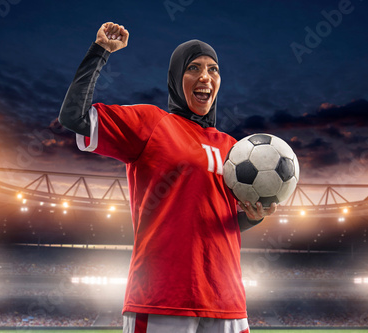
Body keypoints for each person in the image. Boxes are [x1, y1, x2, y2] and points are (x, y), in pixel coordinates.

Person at [59, 22, 277, 333]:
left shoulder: (236, 150)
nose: (205, 77)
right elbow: (74, 117)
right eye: (194, 68)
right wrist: (100, 52)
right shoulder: (151, 122)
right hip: (162, 300)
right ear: (176, 77)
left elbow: (218, 223)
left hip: (227, 302)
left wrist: (254, 217)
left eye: (213, 70)